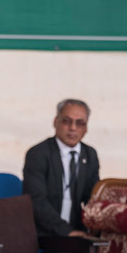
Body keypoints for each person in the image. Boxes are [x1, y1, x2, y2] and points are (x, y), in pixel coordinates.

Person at [23, 99, 100, 237]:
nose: (73, 128)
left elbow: (93, 198)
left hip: (79, 233)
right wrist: (66, 231)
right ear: (55, 122)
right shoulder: (38, 154)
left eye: (80, 123)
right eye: (66, 121)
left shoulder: (90, 154)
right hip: (44, 233)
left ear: (86, 128)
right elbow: (36, 201)